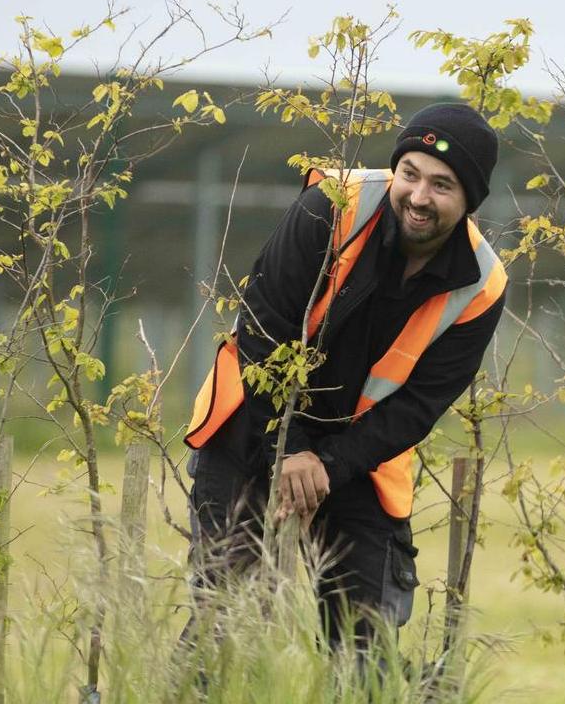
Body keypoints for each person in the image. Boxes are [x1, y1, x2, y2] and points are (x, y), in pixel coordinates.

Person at [181, 101, 508, 653]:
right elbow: (261, 329)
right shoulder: (331, 206)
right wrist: (290, 449)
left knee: (365, 645)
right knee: (225, 619)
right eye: (410, 174)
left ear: (470, 200)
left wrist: (324, 464)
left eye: (442, 185)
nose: (419, 197)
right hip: (252, 422)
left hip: (358, 459)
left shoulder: (482, 287)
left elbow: (416, 409)